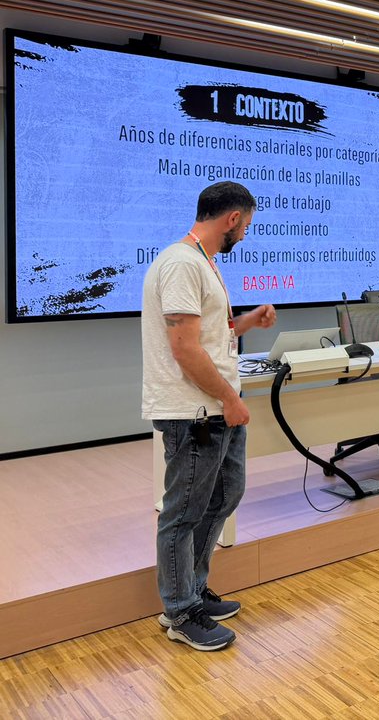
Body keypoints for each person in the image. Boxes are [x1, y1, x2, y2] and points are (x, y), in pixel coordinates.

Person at [142, 181, 276, 651]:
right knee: (183, 511)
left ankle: (193, 591)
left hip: (216, 405)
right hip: (194, 410)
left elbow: (210, 335)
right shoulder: (181, 263)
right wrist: (230, 399)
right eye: (248, 226)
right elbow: (184, 348)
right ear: (233, 219)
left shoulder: (203, 262)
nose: (246, 235)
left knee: (224, 494)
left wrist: (245, 322)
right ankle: (179, 612)